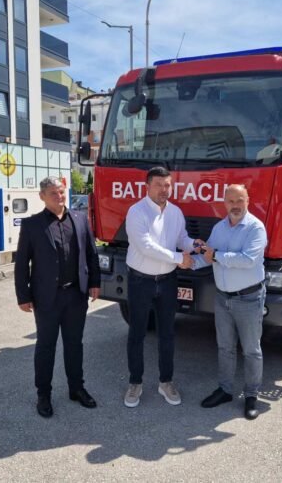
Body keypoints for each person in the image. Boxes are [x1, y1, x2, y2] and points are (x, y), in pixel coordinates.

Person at [14, 176, 101, 418]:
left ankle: (77, 388)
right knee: (46, 346)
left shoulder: (80, 219)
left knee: (75, 345)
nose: (59, 196)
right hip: (46, 298)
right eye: (53, 193)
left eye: (61, 191)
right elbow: (22, 264)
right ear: (42, 196)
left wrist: (95, 283)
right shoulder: (32, 225)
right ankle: (43, 394)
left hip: (76, 295)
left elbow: (91, 254)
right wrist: (23, 296)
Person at [123, 166, 203, 408]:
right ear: (147, 186)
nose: (163, 189)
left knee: (167, 334)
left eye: (167, 185)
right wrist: (179, 259)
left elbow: (181, 239)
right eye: (158, 184)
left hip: (168, 281)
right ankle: (135, 382)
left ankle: (166, 382)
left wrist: (194, 244)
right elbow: (146, 246)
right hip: (140, 281)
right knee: (137, 334)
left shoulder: (175, 212)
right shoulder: (136, 212)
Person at [194, 184, 267, 420]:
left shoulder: (255, 228)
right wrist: (187, 262)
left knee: (251, 350)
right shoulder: (219, 228)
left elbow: (248, 260)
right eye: (230, 201)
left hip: (249, 298)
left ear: (248, 200)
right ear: (224, 203)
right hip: (223, 298)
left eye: (239, 200)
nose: (235, 206)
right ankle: (225, 390)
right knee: (225, 347)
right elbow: (209, 256)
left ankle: (251, 395)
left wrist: (215, 255)